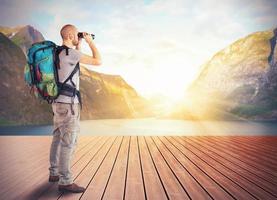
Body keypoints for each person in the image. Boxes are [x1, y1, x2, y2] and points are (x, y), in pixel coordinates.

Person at [48, 24, 101, 193]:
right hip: (69, 104)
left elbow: (70, 67)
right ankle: (65, 181)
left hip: (57, 102)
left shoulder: (57, 53)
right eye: (75, 34)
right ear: (71, 35)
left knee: (57, 137)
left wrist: (78, 43)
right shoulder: (72, 54)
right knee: (68, 142)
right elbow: (98, 61)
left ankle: (54, 173)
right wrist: (90, 42)